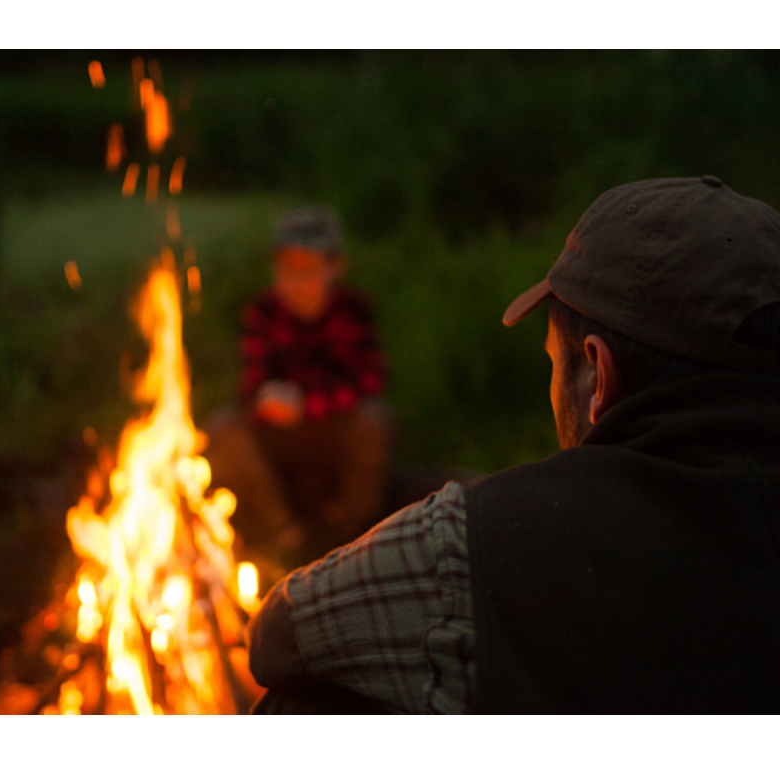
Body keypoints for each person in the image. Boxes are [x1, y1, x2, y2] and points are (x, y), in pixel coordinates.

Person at [246, 176, 780, 714]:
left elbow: (280, 633)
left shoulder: (476, 541)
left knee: (301, 705)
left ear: (597, 375)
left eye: (553, 360)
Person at [203, 206, 393, 571]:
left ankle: (353, 543)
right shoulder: (263, 312)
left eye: (307, 269)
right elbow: (249, 386)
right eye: (286, 269)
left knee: (375, 421)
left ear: (335, 267)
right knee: (222, 429)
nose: (296, 281)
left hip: (333, 429)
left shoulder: (352, 311)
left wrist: (307, 404)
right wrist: (267, 402)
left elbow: (367, 380)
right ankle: (283, 539)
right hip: (278, 435)